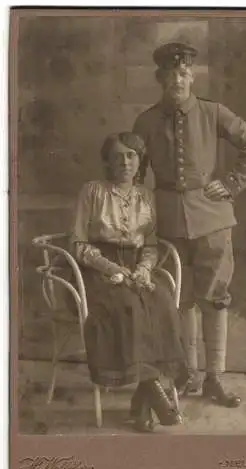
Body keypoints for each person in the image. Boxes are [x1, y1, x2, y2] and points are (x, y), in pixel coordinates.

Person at [133, 42, 246, 407]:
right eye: (170, 74)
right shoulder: (145, 121)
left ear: (191, 76)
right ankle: (187, 375)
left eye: (183, 73)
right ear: (160, 79)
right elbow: (135, 175)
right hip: (168, 223)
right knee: (181, 300)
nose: (177, 79)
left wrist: (233, 182)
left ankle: (215, 379)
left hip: (212, 219)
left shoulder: (212, 112)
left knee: (215, 298)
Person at [70, 131, 188, 432]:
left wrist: (146, 269)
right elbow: (80, 245)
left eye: (131, 155)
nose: (125, 162)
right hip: (97, 269)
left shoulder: (145, 196)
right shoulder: (92, 191)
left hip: (136, 268)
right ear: (108, 161)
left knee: (160, 300)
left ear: (139, 161)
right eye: (118, 155)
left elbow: (149, 244)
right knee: (126, 305)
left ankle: (141, 404)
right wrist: (110, 268)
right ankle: (152, 393)